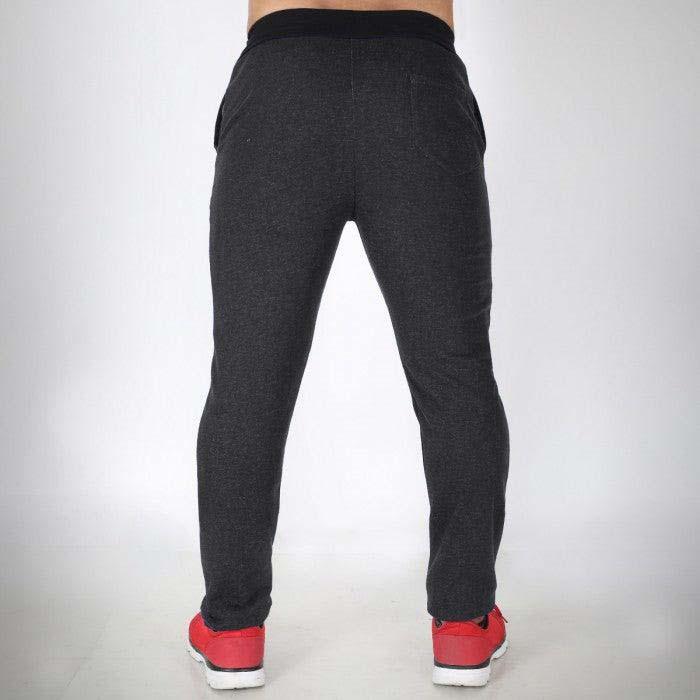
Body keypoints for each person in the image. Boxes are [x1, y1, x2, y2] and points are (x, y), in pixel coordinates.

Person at [187, 1, 509, 689]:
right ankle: (464, 622)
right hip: (418, 78)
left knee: (248, 372)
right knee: (456, 369)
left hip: (283, 79)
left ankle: (232, 629)